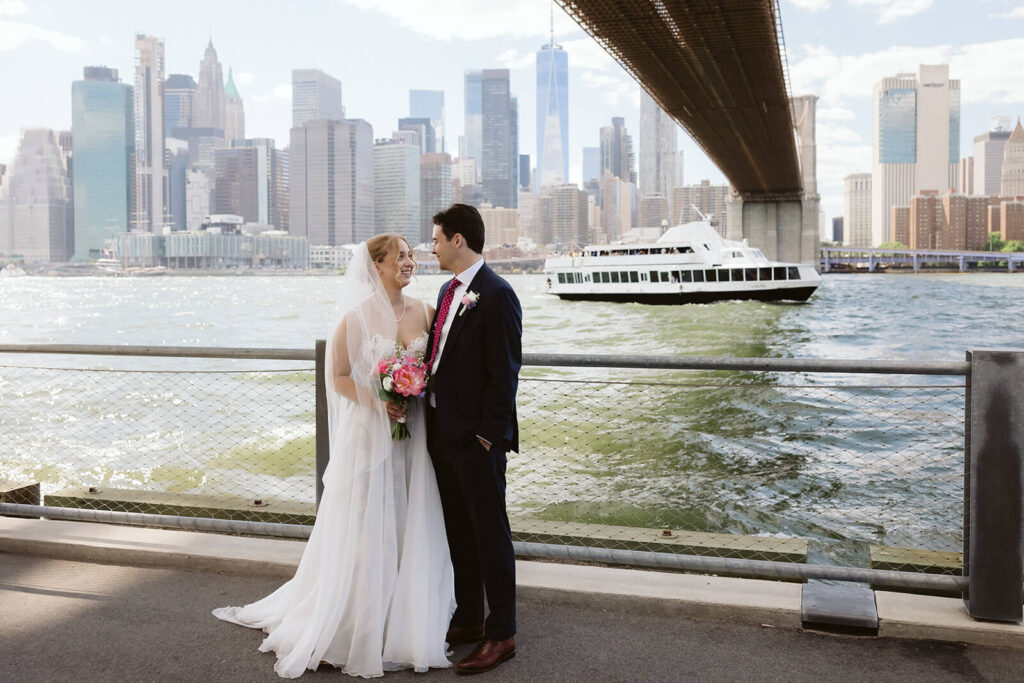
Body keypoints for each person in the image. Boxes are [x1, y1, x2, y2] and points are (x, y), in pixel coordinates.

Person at [213, 234, 455, 679]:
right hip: (371, 434)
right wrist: (379, 401)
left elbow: (435, 369)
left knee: (408, 520)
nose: (409, 261)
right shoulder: (355, 319)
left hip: (414, 434)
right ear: (377, 265)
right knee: (367, 527)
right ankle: (354, 623)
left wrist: (412, 390)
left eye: (410, 255)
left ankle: (406, 619)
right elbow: (339, 377)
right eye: (399, 256)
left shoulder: (425, 311)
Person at [425, 204, 523, 675]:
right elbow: (437, 359)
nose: (433, 247)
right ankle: (468, 619)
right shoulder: (447, 292)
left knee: (490, 536)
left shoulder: (497, 294)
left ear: (459, 239)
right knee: (458, 534)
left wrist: (486, 438)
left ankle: (501, 633)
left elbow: (504, 374)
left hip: (476, 443)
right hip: (443, 437)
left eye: (438, 239)